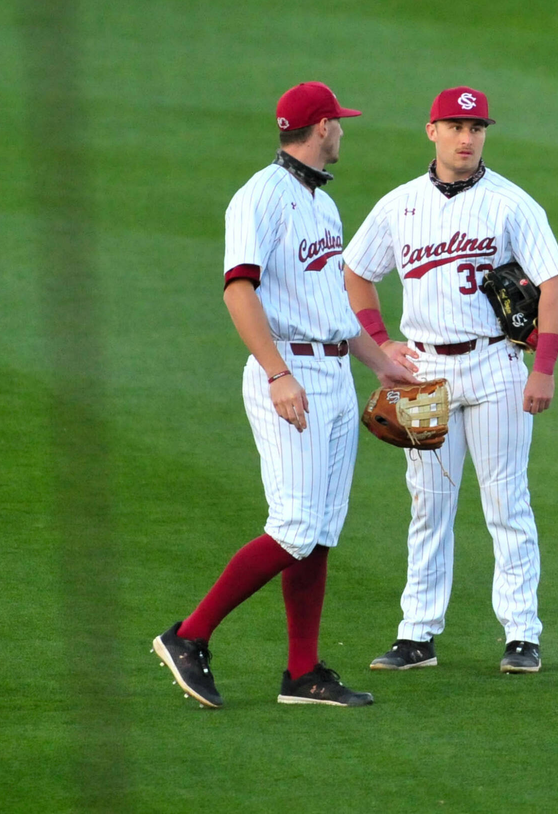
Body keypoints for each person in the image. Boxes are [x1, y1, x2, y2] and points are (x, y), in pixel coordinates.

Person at [151, 81, 416, 708]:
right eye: (340, 122)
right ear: (321, 127)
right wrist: (276, 374)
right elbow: (238, 290)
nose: (344, 131)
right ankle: (188, 637)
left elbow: (332, 307)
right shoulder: (259, 197)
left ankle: (303, 674)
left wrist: (382, 364)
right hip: (288, 373)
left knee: (320, 529)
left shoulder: (323, 205)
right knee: (294, 525)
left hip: (332, 376)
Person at [343, 86, 558, 674]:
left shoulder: (512, 203)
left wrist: (542, 368)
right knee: (429, 505)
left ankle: (522, 634)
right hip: (423, 370)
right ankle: (417, 634)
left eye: (476, 128)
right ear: (432, 131)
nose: (466, 138)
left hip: (496, 365)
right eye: (454, 126)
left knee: (506, 501)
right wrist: (381, 339)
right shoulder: (400, 205)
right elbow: (356, 271)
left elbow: (556, 286)